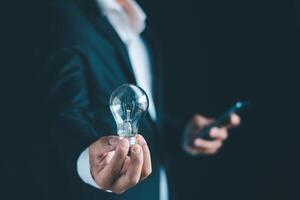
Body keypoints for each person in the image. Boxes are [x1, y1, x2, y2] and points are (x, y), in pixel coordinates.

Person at [39, 0, 241, 199]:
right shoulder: (67, 16)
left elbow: (146, 122)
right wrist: (88, 163)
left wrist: (184, 134)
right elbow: (66, 112)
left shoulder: (143, 30)